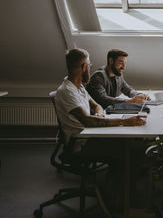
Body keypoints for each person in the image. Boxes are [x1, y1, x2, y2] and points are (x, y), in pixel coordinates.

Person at [55, 48, 146, 216]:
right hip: (81, 144)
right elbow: (87, 121)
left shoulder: (79, 87)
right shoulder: (67, 91)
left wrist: (98, 111)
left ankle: (120, 194)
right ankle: (117, 201)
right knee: (128, 150)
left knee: (132, 144)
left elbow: (96, 104)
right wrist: (124, 121)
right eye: (89, 65)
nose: (90, 67)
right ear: (83, 67)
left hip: (91, 136)